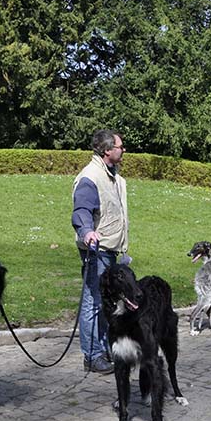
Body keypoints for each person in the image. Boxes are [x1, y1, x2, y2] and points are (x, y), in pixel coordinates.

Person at [71, 129, 129, 374]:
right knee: (93, 302)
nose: (123, 150)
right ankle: (92, 356)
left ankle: (104, 349)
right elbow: (81, 210)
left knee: (105, 301)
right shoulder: (90, 177)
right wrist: (87, 232)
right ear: (107, 150)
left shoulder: (113, 176)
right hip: (97, 250)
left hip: (110, 250)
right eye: (120, 146)